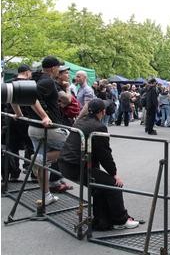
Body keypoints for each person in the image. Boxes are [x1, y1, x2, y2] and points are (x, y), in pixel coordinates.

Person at [58, 99, 139, 230]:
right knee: (114, 185)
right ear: (103, 112)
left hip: (66, 164)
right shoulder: (99, 127)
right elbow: (105, 155)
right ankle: (121, 220)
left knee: (99, 186)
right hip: (76, 167)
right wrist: (114, 174)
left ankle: (102, 221)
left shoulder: (80, 121)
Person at [11, 56, 70, 205]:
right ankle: (37, 158)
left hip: (33, 128)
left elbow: (14, 95)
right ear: (53, 68)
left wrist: (18, 114)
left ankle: (46, 196)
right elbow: (31, 97)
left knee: (45, 164)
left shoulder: (32, 79)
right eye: (59, 67)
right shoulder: (48, 81)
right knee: (75, 148)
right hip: (48, 128)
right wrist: (44, 116)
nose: (60, 70)